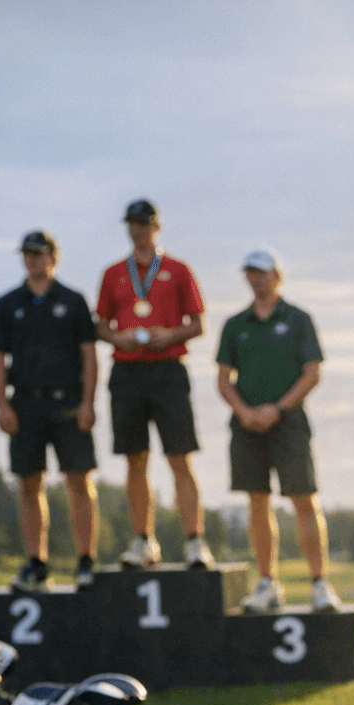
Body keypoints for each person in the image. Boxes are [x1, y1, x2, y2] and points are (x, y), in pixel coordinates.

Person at [216, 248, 340, 613]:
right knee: (257, 501)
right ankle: (268, 582)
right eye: (251, 273)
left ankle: (319, 583)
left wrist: (279, 408)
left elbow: (312, 373)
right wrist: (244, 411)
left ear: (277, 275)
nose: (257, 279)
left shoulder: (298, 319)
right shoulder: (235, 324)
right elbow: (223, 379)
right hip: (247, 424)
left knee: (303, 498)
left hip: (289, 422)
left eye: (263, 272)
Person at [95, 199, 211, 569]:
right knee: (135, 459)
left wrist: (170, 334)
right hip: (127, 371)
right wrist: (119, 338)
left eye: (144, 223)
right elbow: (101, 325)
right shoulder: (113, 273)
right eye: (132, 223)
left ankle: (195, 540)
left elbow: (199, 323)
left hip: (168, 370)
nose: (138, 229)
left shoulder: (178, 270)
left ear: (156, 226)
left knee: (180, 456)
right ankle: (144, 540)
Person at [0, 229, 100, 590]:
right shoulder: (8, 303)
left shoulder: (73, 300)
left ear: (53, 256)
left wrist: (88, 402)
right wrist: (2, 405)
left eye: (38, 253)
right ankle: (37, 563)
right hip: (25, 402)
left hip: (68, 402)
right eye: (27, 254)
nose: (32, 259)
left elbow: (89, 354)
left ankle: (86, 561)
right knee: (29, 483)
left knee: (78, 479)